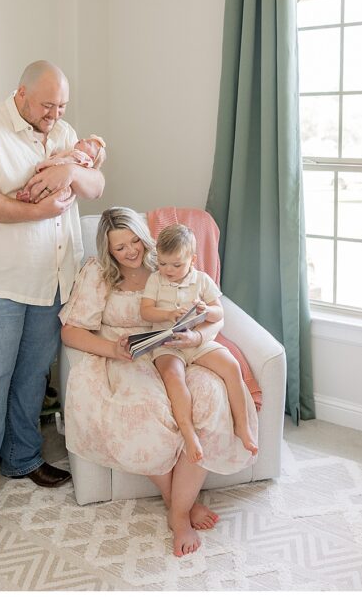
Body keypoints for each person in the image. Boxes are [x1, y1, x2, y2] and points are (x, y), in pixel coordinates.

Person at [0, 60, 105, 536]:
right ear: (21, 94)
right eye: (47, 106)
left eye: (62, 106)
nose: (55, 115)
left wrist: (70, 168)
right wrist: (37, 211)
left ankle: (22, 457)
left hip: (49, 280)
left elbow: (96, 186)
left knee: (33, 376)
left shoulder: (63, 134)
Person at [60, 207, 257, 558]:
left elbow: (213, 314)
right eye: (120, 247)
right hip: (126, 355)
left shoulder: (167, 264)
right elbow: (71, 331)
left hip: (179, 346)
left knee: (210, 396)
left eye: (135, 241)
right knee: (146, 409)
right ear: (108, 250)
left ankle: (180, 503)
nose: (131, 251)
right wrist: (112, 349)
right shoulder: (98, 273)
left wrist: (197, 337)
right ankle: (179, 510)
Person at [140, 224, 258, 461]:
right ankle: (188, 432)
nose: (168, 270)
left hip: (198, 342)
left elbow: (219, 313)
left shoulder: (202, 281)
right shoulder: (155, 280)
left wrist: (207, 310)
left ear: (192, 260)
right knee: (173, 376)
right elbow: (146, 311)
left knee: (232, 366)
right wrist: (167, 314)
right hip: (168, 344)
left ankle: (242, 425)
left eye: (176, 265)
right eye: (162, 263)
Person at [15, 134, 106, 203]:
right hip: (50, 181)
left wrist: (45, 164)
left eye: (88, 143)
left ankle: (28, 197)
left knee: (42, 189)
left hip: (57, 186)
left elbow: (62, 162)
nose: (83, 139)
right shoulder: (74, 152)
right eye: (86, 139)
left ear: (91, 157)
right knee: (38, 186)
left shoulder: (81, 156)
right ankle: (28, 197)